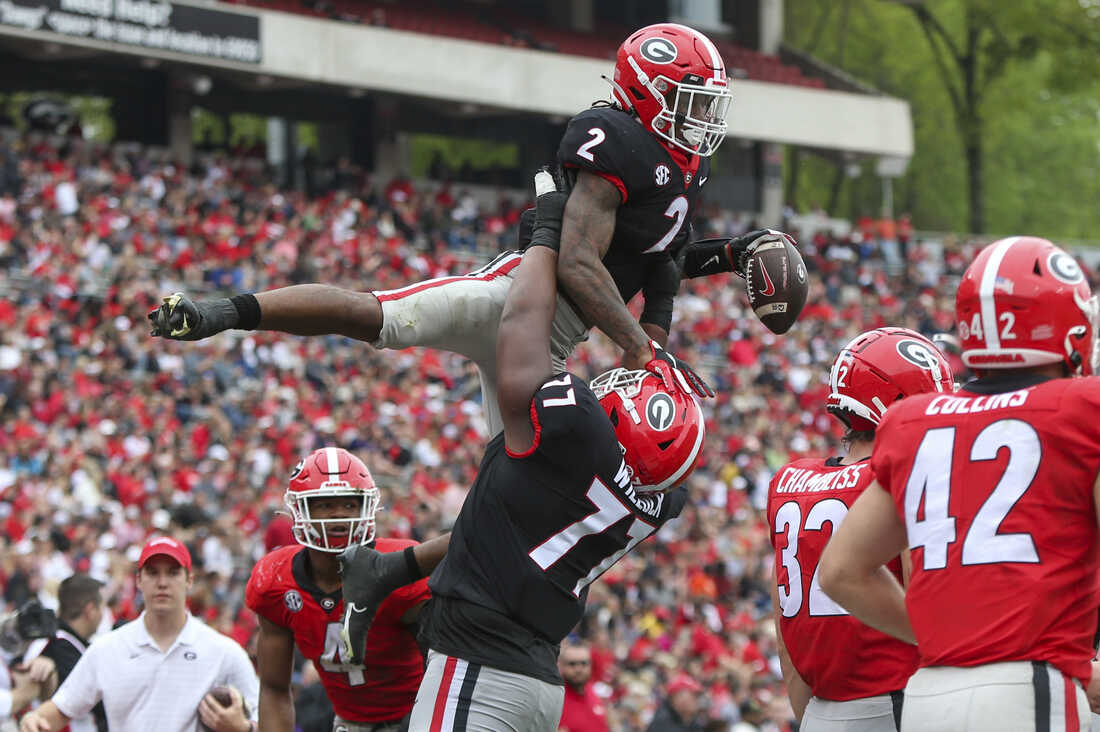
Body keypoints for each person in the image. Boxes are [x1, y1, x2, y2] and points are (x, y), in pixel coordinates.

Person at [148, 23, 805, 435]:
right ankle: (222, 312)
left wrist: (730, 256)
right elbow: (577, 261)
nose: (702, 119)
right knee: (370, 315)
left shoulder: (680, 168)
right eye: (691, 101)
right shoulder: (617, 142)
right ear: (647, 95)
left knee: (517, 491)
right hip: (515, 300)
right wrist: (640, 352)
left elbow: (661, 259)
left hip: (553, 347)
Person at [342, 171, 706, 730]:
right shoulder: (660, 499)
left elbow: (520, 324)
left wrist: (550, 230)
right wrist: (663, 293)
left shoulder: (574, 428)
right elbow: (653, 444)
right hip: (537, 679)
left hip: (478, 667)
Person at [819, 236, 1100, 731]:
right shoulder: (1083, 409)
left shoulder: (914, 420)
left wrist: (942, 636)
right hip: (1032, 684)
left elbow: (841, 570)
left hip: (930, 693)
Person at [768, 328, 952, 730]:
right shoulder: (902, 475)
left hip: (821, 708)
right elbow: (929, 605)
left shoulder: (788, 481)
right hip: (898, 703)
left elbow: (786, 633)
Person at [245, 446, 438, 732]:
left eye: (349, 504)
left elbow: (448, 666)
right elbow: (274, 689)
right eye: (324, 504)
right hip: (348, 723)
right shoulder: (275, 580)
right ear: (301, 510)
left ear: (367, 508)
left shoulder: (400, 570)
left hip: (419, 717)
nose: (338, 515)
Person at [19, 536, 259, 732]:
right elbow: (60, 710)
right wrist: (34, 718)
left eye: (173, 572)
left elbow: (265, 720)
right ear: (139, 581)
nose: (162, 582)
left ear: (189, 580)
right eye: (153, 573)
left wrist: (243, 728)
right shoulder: (108, 649)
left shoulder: (223, 652)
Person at [39, 574, 108, 732]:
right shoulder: (60, 647)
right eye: (102, 607)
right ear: (90, 610)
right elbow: (101, 703)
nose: (103, 614)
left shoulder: (63, 642)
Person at [556, 639, 608, 732]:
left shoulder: (596, 693)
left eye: (584, 663)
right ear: (560, 666)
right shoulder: (556, 700)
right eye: (572, 664)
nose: (578, 669)